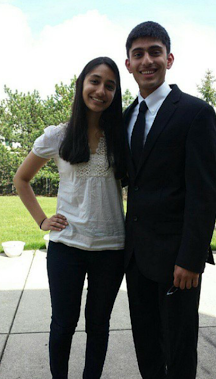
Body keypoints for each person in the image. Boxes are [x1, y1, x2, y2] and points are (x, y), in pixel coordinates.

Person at [14, 56, 126, 379]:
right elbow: (21, 179)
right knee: (63, 325)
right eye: (94, 81)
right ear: (81, 86)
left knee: (99, 326)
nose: (101, 90)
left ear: (115, 93)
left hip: (111, 249)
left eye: (110, 85)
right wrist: (42, 220)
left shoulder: (121, 137)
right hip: (66, 248)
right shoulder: (58, 136)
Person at [123, 21, 216, 379]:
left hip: (179, 262)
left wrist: (191, 259)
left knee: (178, 351)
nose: (147, 60)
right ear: (129, 63)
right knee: (146, 346)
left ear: (169, 58)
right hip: (136, 257)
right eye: (138, 54)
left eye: (154, 52)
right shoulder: (127, 117)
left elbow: (205, 193)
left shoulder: (196, 112)